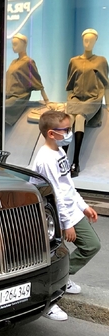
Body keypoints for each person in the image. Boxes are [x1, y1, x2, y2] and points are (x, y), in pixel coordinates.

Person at [32, 110, 101, 321]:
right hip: (54, 215)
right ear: (52, 133)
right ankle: (49, 301)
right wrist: (66, 223)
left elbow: (68, 185)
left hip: (69, 210)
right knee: (52, 255)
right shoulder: (45, 159)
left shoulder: (60, 152)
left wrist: (83, 206)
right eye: (67, 130)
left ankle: (63, 277)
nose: (70, 133)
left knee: (91, 245)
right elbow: (55, 195)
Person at [65, 28, 109, 177]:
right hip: (76, 98)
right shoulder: (74, 61)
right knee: (67, 119)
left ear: (96, 41)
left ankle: (75, 162)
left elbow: (106, 84)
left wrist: (108, 104)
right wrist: (69, 102)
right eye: (85, 40)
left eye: (91, 40)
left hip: (93, 99)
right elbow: (70, 85)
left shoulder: (101, 61)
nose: (88, 43)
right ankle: (62, 161)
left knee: (79, 118)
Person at [5, 33, 49, 126]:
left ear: (24, 45)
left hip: (18, 98)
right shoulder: (14, 62)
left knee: (0, 108)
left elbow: (37, 81)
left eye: (16, 44)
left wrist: (47, 101)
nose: (13, 47)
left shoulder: (28, 62)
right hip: (8, 96)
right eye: (12, 44)